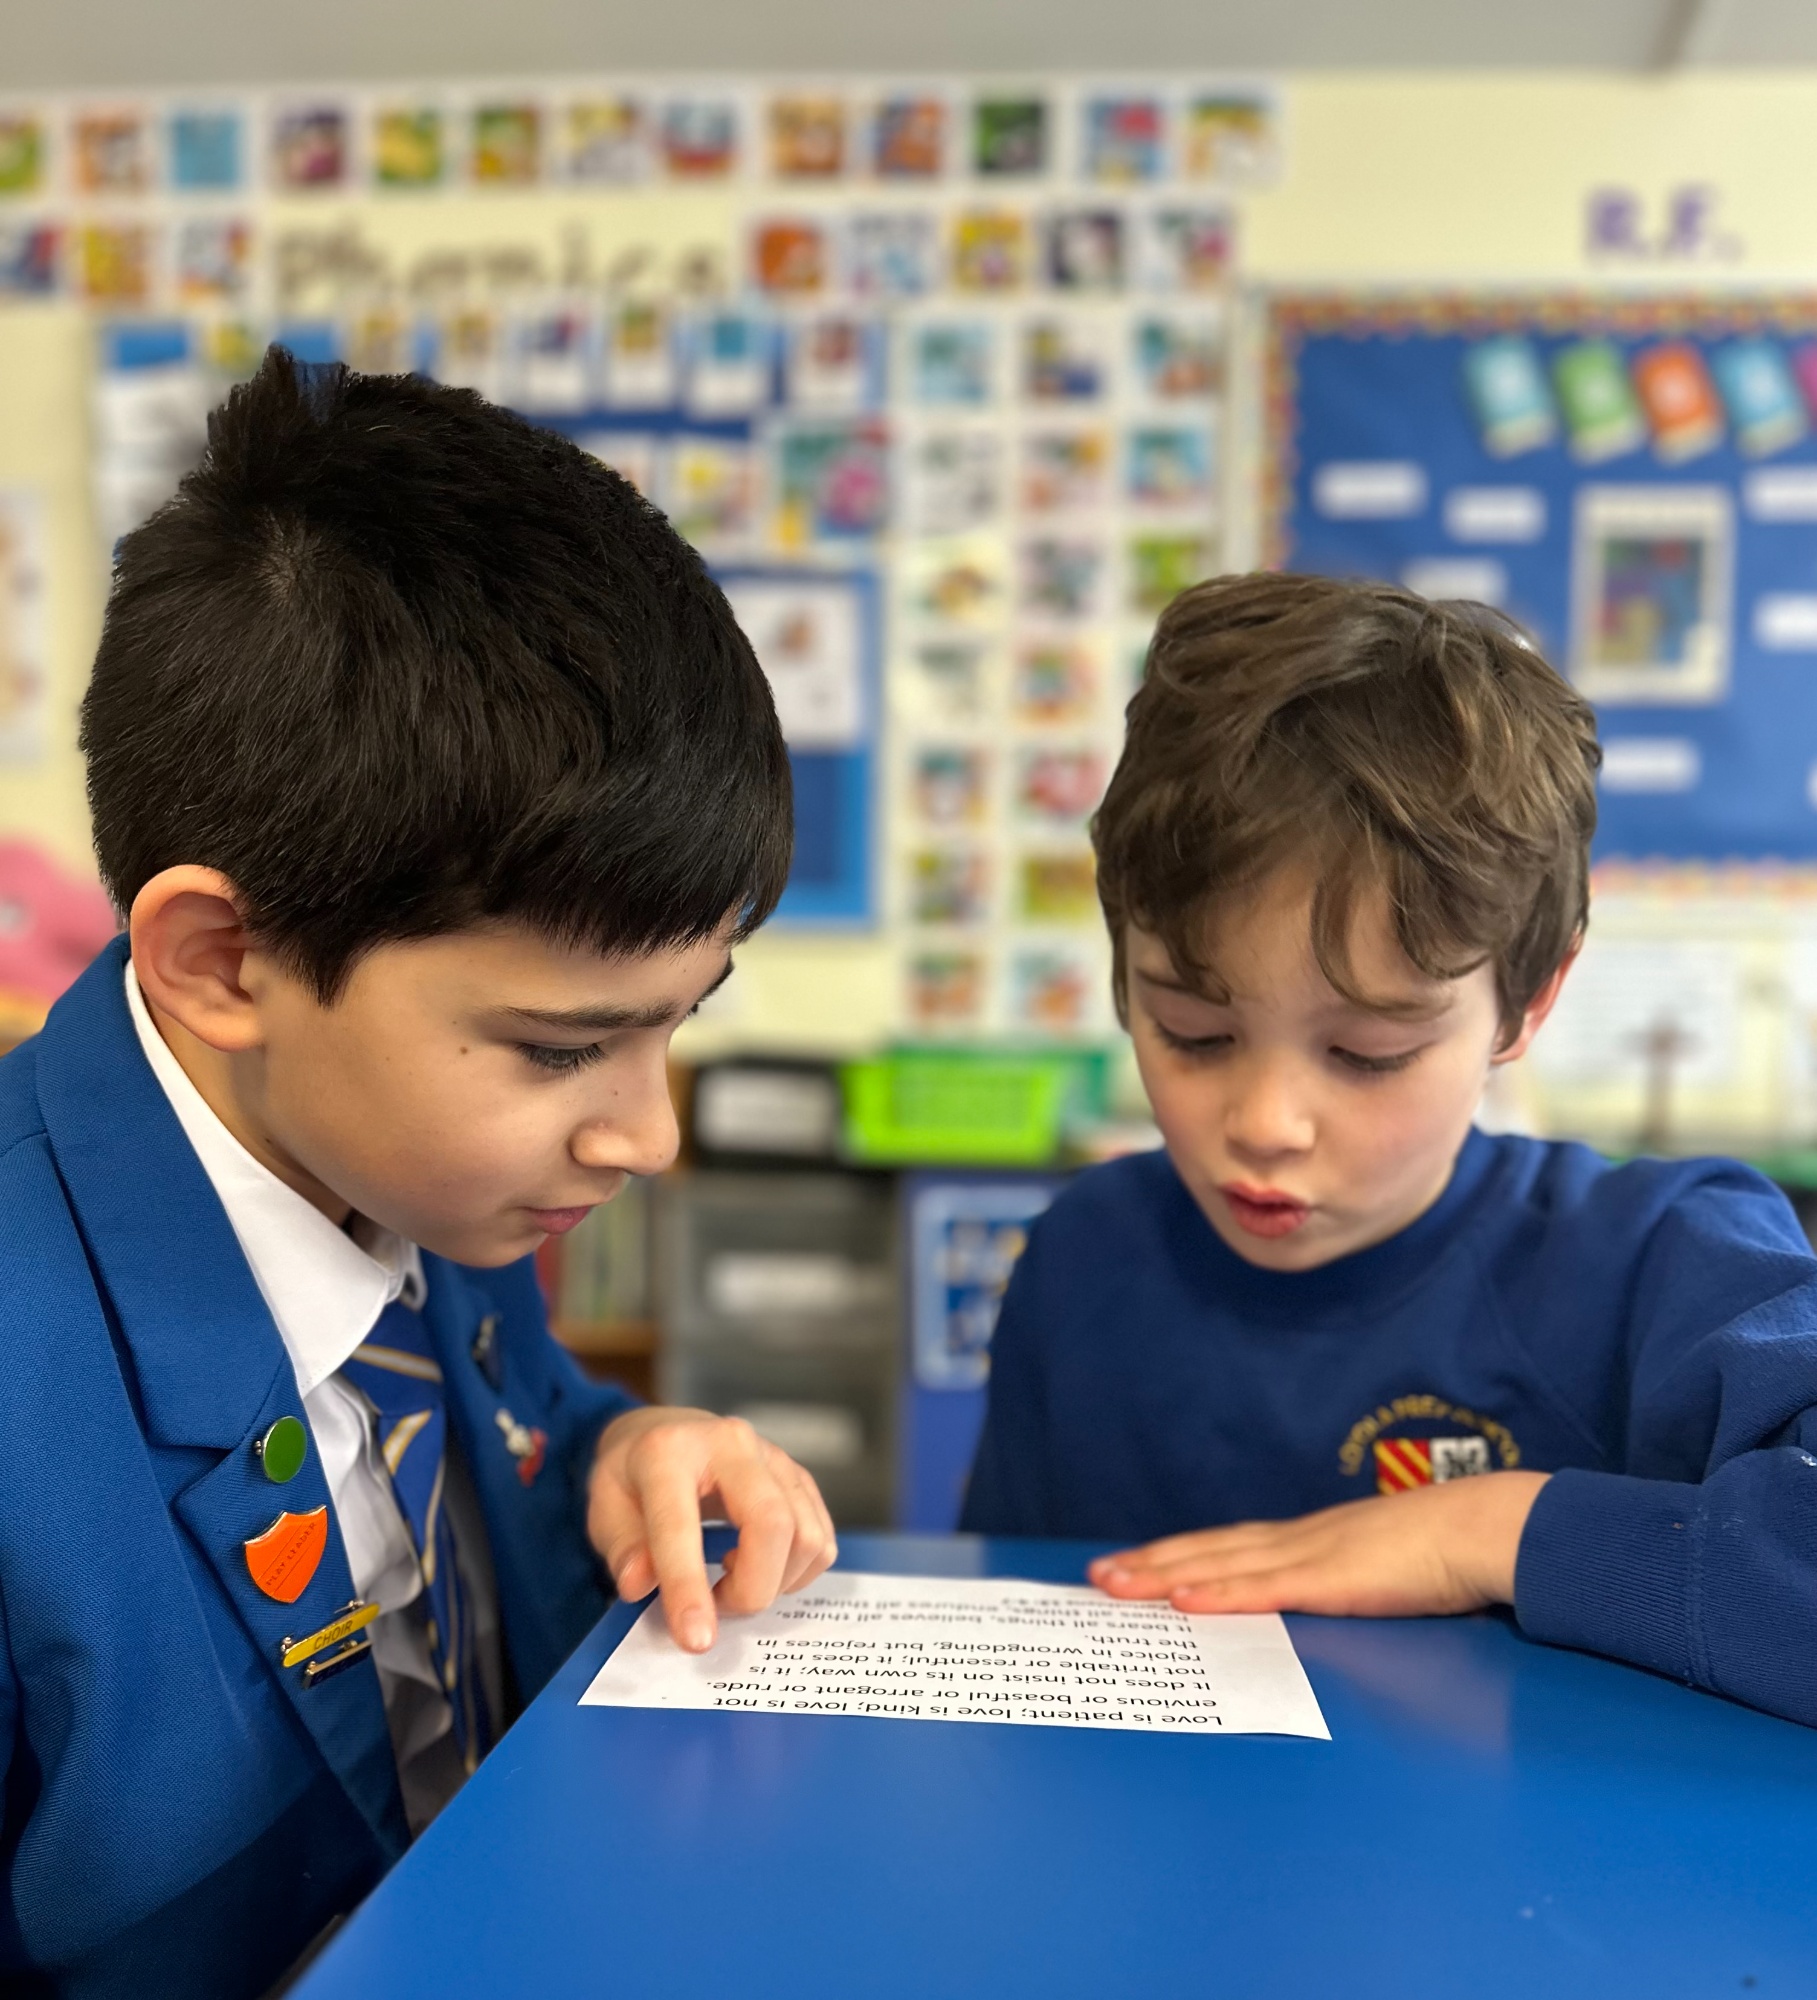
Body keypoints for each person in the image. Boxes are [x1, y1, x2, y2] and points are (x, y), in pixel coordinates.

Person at [0, 349, 837, 1997]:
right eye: (555, 1047)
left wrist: (625, 1442)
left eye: (677, 1027)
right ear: (224, 962)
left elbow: (481, 1449)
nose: (647, 1136)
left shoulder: (417, 1172)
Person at [962, 571, 1817, 1732]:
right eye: (1191, 1030)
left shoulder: (1663, 1259)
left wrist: (1491, 1527)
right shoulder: (1083, 1261)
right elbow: (998, 1636)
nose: (1264, 1120)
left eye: (1366, 1051)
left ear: (1527, 998)